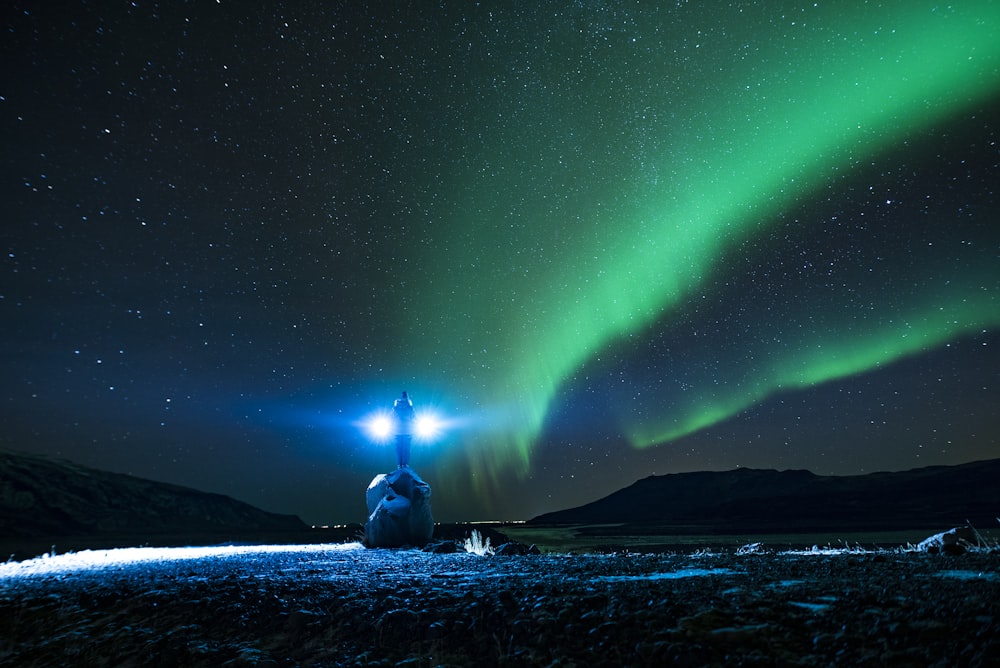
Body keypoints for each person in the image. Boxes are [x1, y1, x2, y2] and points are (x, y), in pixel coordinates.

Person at [392, 391, 414, 467]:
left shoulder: (396, 405)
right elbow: (413, 417)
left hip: (397, 430)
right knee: (406, 449)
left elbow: (393, 416)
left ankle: (399, 465)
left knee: (398, 449)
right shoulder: (410, 405)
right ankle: (405, 465)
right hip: (408, 430)